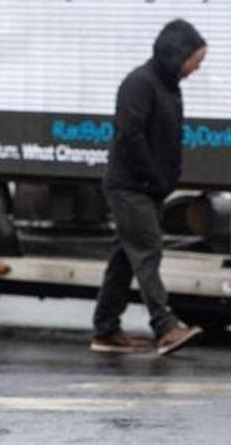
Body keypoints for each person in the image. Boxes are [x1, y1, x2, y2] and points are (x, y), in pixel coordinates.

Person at [91, 18, 207, 356]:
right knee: (147, 250)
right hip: (130, 186)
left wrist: (166, 178)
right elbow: (131, 136)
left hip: (148, 187)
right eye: (194, 60)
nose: (196, 68)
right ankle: (165, 326)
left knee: (125, 258)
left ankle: (105, 329)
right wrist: (152, 177)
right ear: (177, 53)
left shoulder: (168, 86)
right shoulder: (139, 84)